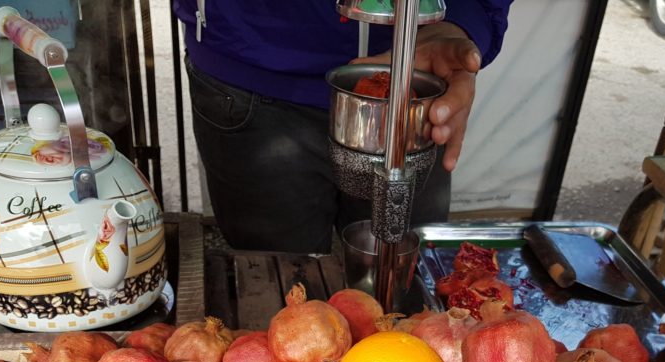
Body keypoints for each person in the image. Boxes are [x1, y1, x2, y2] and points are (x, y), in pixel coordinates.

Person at [171, 0, 513, 253]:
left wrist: (465, 19)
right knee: (278, 304)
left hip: (412, 77)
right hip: (247, 71)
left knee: (404, 299)